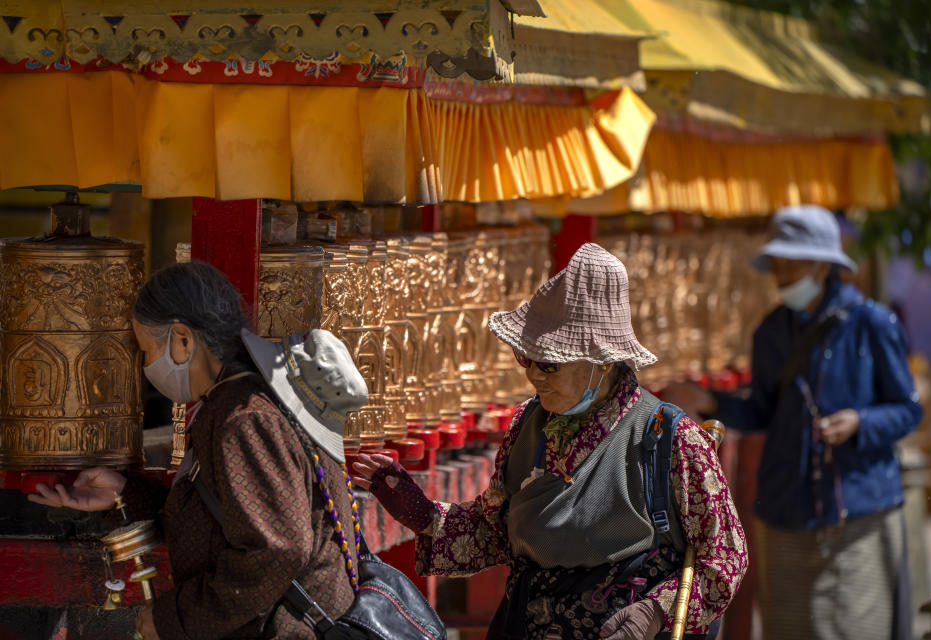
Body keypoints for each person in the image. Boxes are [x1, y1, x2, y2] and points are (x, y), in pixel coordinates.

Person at [353, 243, 748, 640]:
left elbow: (726, 557)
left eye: (550, 365)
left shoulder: (669, 438)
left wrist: (654, 612)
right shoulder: (527, 425)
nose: (535, 377)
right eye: (527, 359)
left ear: (602, 363)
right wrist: (422, 514)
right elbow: (496, 533)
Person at [28, 262, 369, 640]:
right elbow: (227, 515)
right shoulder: (245, 402)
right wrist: (125, 495)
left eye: (147, 349)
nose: (147, 365)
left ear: (182, 339)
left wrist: (178, 619)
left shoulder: (243, 418)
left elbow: (278, 549)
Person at [662, 205, 923, 640]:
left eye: (791, 261)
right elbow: (763, 413)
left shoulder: (871, 324)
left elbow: (908, 410)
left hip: (856, 518)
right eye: (777, 262)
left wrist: (860, 422)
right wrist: (710, 401)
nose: (780, 272)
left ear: (822, 263)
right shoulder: (770, 332)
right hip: (784, 514)